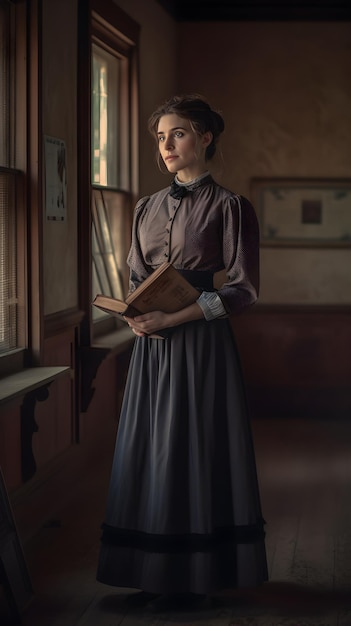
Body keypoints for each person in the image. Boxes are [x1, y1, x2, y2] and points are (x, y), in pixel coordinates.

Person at [96, 94, 268, 609]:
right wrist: (135, 315)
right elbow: (132, 275)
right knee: (152, 449)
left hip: (201, 345)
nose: (166, 146)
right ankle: (149, 572)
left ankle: (197, 577)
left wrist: (175, 316)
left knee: (194, 447)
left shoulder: (232, 207)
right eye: (160, 137)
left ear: (205, 138)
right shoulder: (146, 207)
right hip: (153, 346)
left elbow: (243, 289)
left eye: (177, 134)